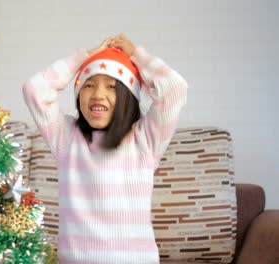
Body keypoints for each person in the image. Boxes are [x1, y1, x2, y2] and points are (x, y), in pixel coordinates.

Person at [22, 34, 188, 264]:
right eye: (89, 84)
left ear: (127, 97)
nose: (98, 94)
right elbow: (34, 89)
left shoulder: (145, 138)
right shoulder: (67, 137)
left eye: (111, 86)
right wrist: (83, 57)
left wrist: (136, 55)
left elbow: (175, 89)